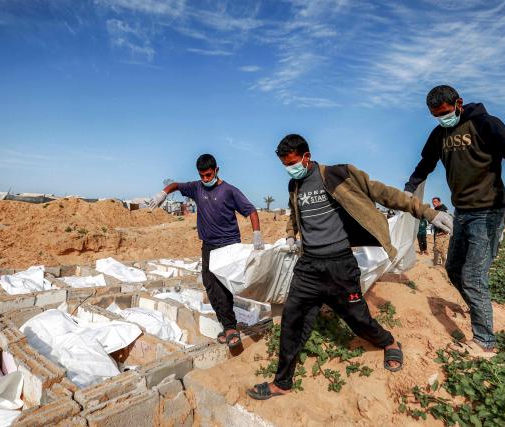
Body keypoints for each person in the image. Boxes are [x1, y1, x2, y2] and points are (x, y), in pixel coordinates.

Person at [247, 134, 454, 400]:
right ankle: (282, 382)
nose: (290, 168)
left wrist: (428, 212)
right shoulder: (293, 185)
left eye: (292, 163)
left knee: (358, 319)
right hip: (308, 266)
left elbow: (383, 193)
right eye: (285, 165)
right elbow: (294, 212)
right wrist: (291, 232)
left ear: (306, 157)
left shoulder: (338, 174)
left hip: (340, 266)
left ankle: (388, 341)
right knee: (292, 320)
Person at [404, 85, 505, 357]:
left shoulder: (485, 124)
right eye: (435, 115)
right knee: (453, 268)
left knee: (474, 276)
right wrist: (409, 188)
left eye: (445, 113)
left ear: (458, 103)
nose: (442, 119)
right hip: (461, 213)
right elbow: (425, 164)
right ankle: (478, 309)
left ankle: (485, 342)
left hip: (489, 212)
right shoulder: (439, 134)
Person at [148, 154, 264, 348]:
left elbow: (250, 210)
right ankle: (227, 325)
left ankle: (230, 327)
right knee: (210, 285)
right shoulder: (197, 187)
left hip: (228, 245)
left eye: (209, 175)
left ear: (216, 170)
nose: (206, 179)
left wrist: (257, 234)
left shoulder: (229, 191)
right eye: (202, 176)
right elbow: (176, 185)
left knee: (222, 287)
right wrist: (163, 193)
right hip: (208, 245)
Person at [431, 197, 449, 266]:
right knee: (440, 249)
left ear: (439, 202)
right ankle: (442, 263)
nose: (433, 203)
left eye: (435, 202)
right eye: (433, 202)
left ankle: (437, 264)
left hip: (442, 233)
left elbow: (447, 221)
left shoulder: (443, 210)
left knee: (438, 249)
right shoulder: (437, 209)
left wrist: (444, 231)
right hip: (438, 231)